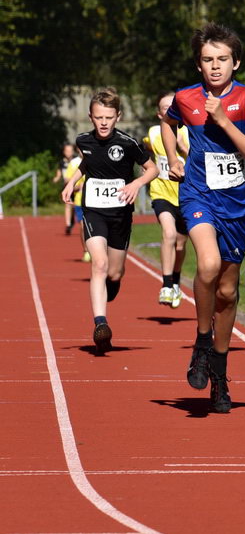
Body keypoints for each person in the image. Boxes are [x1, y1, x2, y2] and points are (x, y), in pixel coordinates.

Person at [161, 23, 245, 414]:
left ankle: (220, 375)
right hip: (197, 195)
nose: (215, 66)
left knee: (227, 291)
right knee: (206, 264)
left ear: (235, 62)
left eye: (222, 59)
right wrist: (174, 157)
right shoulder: (186, 99)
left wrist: (223, 120)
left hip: (238, 204)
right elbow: (167, 120)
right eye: (207, 60)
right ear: (198, 64)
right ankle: (201, 343)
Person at [61, 88, 158, 355]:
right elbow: (86, 163)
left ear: (118, 117)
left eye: (109, 117)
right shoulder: (83, 140)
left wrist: (136, 184)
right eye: (98, 117)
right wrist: (72, 182)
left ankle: (111, 287)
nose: (103, 122)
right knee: (99, 264)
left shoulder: (128, 143)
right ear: (90, 117)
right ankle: (100, 324)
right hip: (93, 210)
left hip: (120, 214)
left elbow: (153, 169)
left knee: (114, 273)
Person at [145, 91, 191, 309]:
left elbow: (198, 160)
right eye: (164, 107)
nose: (169, 109)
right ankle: (165, 285)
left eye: (173, 106)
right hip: (161, 193)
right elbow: (146, 149)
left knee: (180, 246)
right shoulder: (154, 133)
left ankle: (175, 279)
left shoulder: (190, 132)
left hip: (185, 196)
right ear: (158, 113)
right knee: (169, 233)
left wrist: (182, 148)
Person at [53, 143, 79, 235]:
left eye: (70, 151)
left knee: (75, 206)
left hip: (77, 187)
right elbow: (59, 174)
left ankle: (72, 220)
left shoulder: (77, 161)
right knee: (68, 205)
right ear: (64, 152)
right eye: (67, 151)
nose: (69, 153)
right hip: (66, 186)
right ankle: (68, 224)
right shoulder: (61, 163)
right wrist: (56, 179)